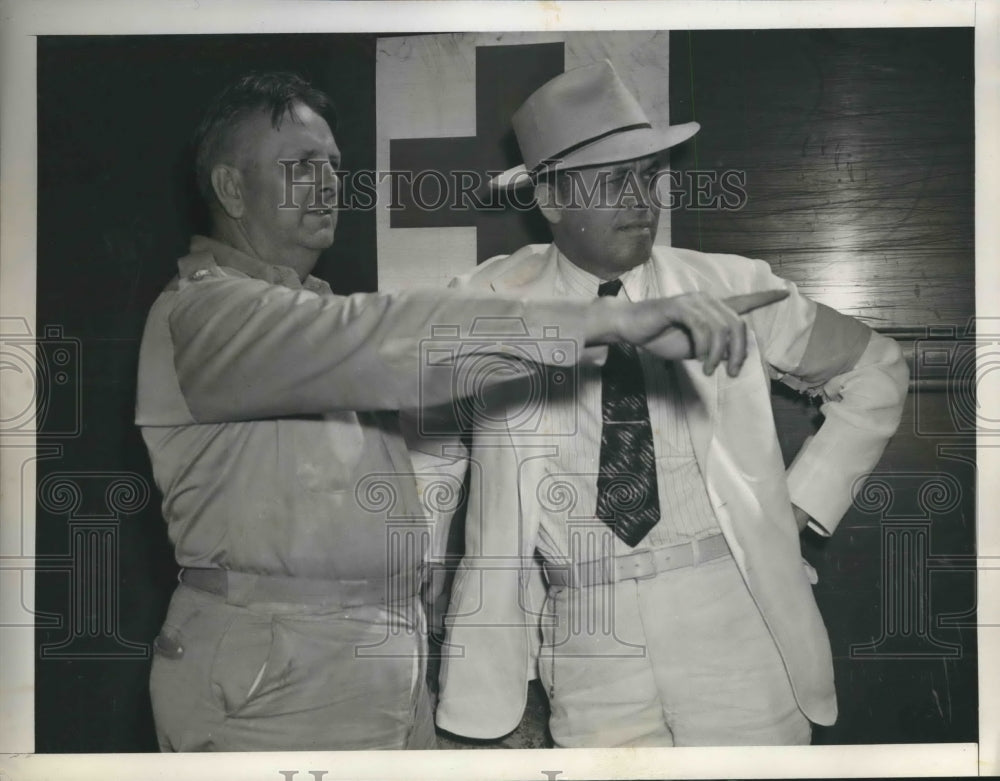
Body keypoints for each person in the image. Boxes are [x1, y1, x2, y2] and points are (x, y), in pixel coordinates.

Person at [134, 70, 782, 752]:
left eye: (333, 166)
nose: (327, 185)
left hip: (378, 660)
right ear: (232, 188)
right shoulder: (206, 315)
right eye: (299, 166)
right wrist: (607, 320)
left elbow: (420, 460)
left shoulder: (308, 310)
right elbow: (388, 336)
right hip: (272, 685)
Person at [434, 60, 909, 747]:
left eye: (646, 174)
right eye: (612, 179)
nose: (640, 197)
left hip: (737, 628)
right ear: (552, 200)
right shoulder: (484, 304)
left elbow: (877, 368)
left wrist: (799, 503)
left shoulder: (735, 287)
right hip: (587, 639)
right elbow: (421, 438)